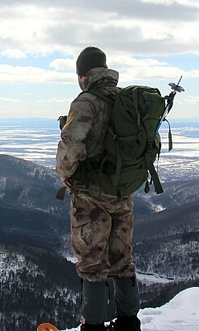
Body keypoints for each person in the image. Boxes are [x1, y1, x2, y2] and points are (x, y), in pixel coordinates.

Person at [56, 47, 142, 331]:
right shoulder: (125, 100)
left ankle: (93, 326)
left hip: (91, 198)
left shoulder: (87, 101)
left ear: (82, 75)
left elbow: (71, 144)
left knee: (93, 264)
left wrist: (64, 174)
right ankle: (129, 323)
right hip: (123, 192)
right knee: (122, 259)